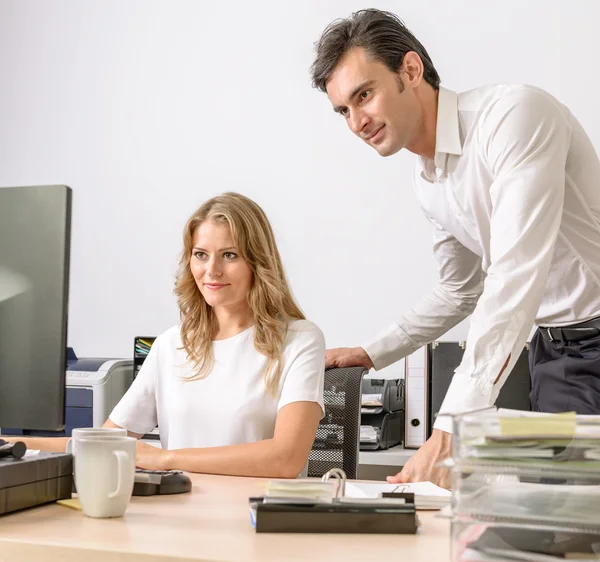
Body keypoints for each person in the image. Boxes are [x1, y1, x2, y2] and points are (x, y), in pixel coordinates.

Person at [310, 9, 600, 488]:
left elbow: (514, 275)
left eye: (364, 95)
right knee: (565, 526)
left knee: (579, 521)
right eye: (343, 110)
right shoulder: (428, 181)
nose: (357, 122)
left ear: (410, 70)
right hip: (553, 355)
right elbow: (459, 290)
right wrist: (371, 351)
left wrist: (447, 430)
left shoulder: (515, 117)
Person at [17, 193, 325, 478]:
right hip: (178, 516)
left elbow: (285, 459)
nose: (212, 270)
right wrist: (11, 443)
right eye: (200, 255)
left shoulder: (299, 340)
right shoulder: (172, 344)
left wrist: (165, 459)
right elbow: (103, 442)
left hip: (254, 520)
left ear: (258, 262)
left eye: (230, 255)